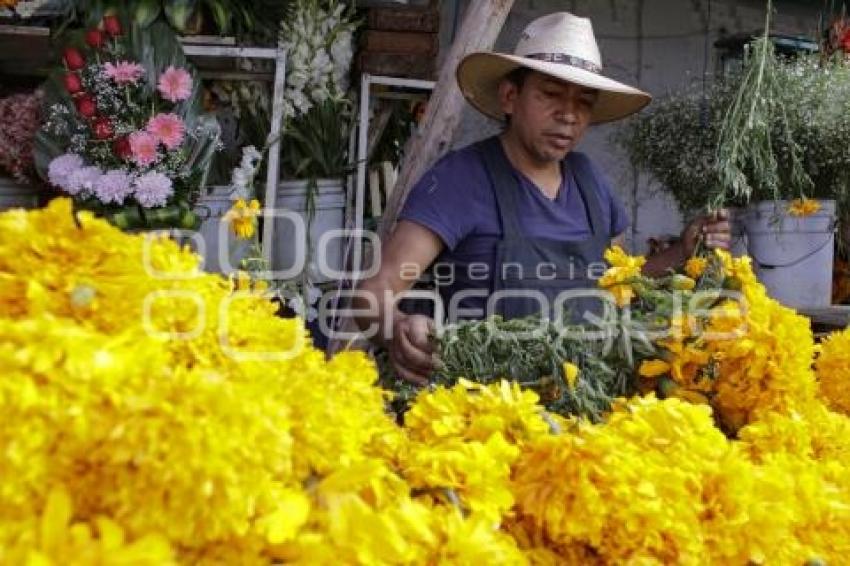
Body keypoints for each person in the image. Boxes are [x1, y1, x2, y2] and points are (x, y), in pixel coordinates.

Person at [354, 12, 731, 384]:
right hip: (479, 413)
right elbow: (372, 295)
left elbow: (619, 288)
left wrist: (683, 250)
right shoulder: (461, 180)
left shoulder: (591, 183)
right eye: (551, 94)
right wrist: (399, 328)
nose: (568, 115)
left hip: (581, 403)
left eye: (584, 101)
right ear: (509, 97)